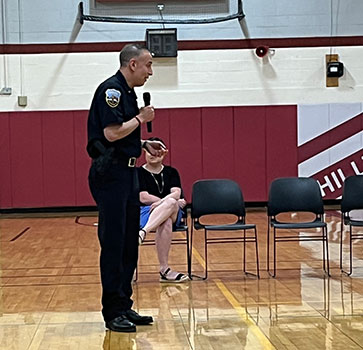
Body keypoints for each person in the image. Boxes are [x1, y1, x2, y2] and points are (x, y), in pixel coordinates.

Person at [87, 44, 167, 333]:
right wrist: (140, 120)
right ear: (132, 64)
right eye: (148, 65)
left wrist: (144, 143)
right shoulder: (112, 91)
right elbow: (110, 133)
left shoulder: (128, 92)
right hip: (110, 174)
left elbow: (123, 133)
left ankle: (124, 304)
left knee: (128, 242)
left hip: (128, 172)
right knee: (114, 243)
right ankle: (112, 312)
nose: (150, 71)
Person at [138, 137, 189, 283]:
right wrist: (170, 201)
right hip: (147, 211)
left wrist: (162, 203)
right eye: (150, 152)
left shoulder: (172, 172)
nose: (153, 155)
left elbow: (177, 193)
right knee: (166, 219)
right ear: (144, 153)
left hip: (171, 211)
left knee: (172, 203)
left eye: (157, 152)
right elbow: (143, 197)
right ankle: (165, 269)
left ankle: (143, 233)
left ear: (164, 153)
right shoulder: (138, 173)